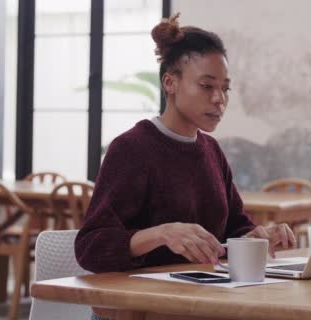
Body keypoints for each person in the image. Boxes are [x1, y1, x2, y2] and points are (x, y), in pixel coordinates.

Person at [75, 13, 296, 275]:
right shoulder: (131, 149)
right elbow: (91, 247)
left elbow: (235, 230)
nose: (219, 99)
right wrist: (162, 234)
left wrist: (259, 236)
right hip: (138, 308)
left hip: (197, 299)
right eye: (206, 86)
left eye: (225, 88)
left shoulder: (211, 150)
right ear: (170, 82)